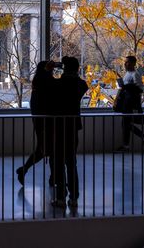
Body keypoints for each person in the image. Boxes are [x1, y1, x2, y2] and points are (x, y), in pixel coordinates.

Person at [49, 56, 88, 208]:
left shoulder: (58, 84)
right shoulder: (81, 85)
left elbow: (44, 84)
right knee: (71, 163)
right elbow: (80, 83)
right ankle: (74, 198)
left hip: (58, 127)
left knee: (58, 163)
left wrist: (50, 69)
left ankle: (60, 198)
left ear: (64, 68)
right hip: (72, 126)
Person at [15, 60, 55, 186]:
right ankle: (52, 177)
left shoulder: (38, 84)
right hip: (46, 122)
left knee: (46, 149)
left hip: (41, 122)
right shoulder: (44, 84)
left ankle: (52, 177)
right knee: (46, 150)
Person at [115, 55, 144, 152]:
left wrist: (127, 87)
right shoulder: (127, 74)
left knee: (126, 123)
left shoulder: (135, 74)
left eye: (127, 62)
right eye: (125, 62)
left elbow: (140, 89)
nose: (125, 64)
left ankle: (129, 144)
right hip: (126, 103)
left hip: (131, 104)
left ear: (133, 64)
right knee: (125, 123)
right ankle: (138, 139)